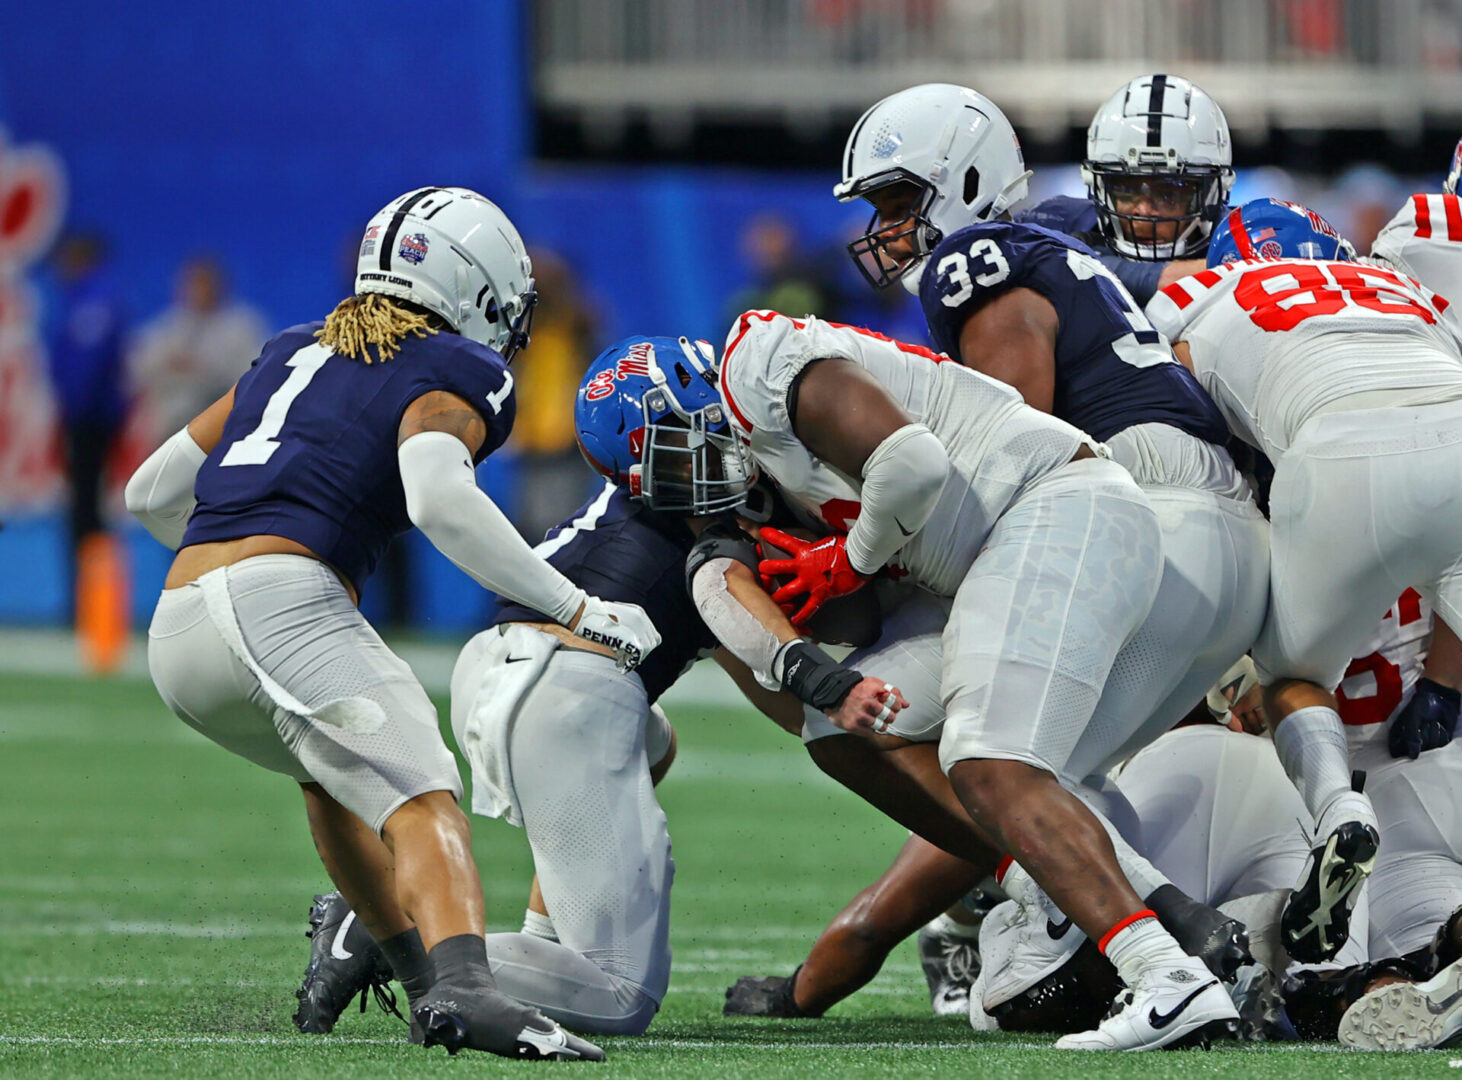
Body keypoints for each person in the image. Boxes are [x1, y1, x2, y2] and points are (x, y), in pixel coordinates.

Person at [124, 186, 665, 1062]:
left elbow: (148, 494)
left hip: (179, 632)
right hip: (279, 602)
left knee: (334, 775)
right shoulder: (458, 365)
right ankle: (469, 991)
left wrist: (230, 560)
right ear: (475, 285)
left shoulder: (287, 349)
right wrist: (578, 608)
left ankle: (423, 985)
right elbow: (440, 497)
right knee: (421, 796)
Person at [290, 335, 905, 1038]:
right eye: (689, 443)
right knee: (619, 996)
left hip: (501, 668)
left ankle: (541, 941)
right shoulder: (705, 515)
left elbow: (749, 659)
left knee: (656, 743)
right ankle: (389, 934)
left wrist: (823, 723)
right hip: (566, 690)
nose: (721, 448)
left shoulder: (652, 505)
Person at [834, 81, 1271, 994]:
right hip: (1225, 525)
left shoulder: (982, 258)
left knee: (1002, 758)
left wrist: (871, 553)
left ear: (964, 184)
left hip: (1150, 505)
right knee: (1024, 747)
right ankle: (1193, 934)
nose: (888, 231)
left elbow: (1017, 441)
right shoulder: (1063, 236)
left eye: (901, 202)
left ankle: (1148, 959)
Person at [715, 308, 1242, 1050]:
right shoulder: (781, 472)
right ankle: (1067, 892)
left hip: (1053, 508)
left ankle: (1164, 977)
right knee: (839, 724)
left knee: (991, 760)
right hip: (1018, 545)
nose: (697, 481)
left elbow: (912, 465)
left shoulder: (757, 360)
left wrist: (843, 561)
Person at [1148, 196, 1462, 980]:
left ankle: (1335, 813)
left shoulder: (1197, 296)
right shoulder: (1404, 290)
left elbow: (1168, 421)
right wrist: (1449, 687)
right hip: (1450, 452)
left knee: (1289, 676)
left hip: (1337, 468)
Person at [1019, 73, 1235, 306]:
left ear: (1213, 193)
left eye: (1168, 194)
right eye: (1126, 189)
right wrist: (1226, 271)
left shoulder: (1248, 232)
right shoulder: (1056, 220)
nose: (1143, 210)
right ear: (1098, 186)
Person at [45, 231, 127, 612]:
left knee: (88, 512)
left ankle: (94, 606)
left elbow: (88, 372)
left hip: (91, 422)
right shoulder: (81, 300)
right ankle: (88, 603)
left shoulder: (95, 302)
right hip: (84, 419)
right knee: (84, 510)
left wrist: (74, 415)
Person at [128, 255, 268, 444]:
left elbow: (258, 373)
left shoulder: (241, 326)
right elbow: (138, 367)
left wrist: (206, 369)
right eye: (193, 284)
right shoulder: (171, 326)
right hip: (171, 423)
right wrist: (171, 365)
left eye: (205, 285)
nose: (199, 291)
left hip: (220, 421)